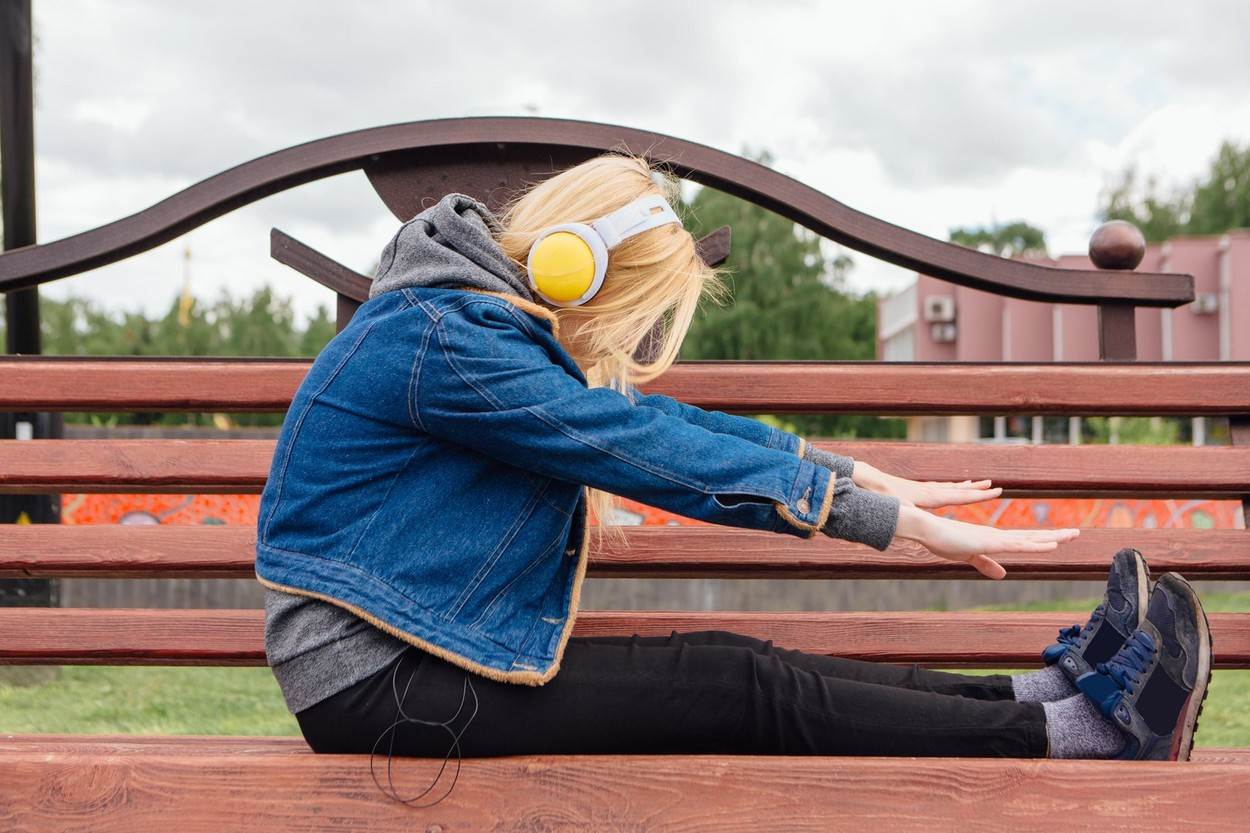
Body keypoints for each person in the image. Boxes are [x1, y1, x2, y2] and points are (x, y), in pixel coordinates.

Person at [255, 152, 1212, 805]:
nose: (628, 339)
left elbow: (660, 424)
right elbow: (643, 447)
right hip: (382, 684)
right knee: (740, 682)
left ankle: (1048, 698)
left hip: (412, 664)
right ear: (575, 270)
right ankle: (1091, 732)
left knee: (753, 667)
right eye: (636, 310)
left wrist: (858, 473)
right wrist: (875, 517)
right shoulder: (444, 338)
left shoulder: (457, 324)